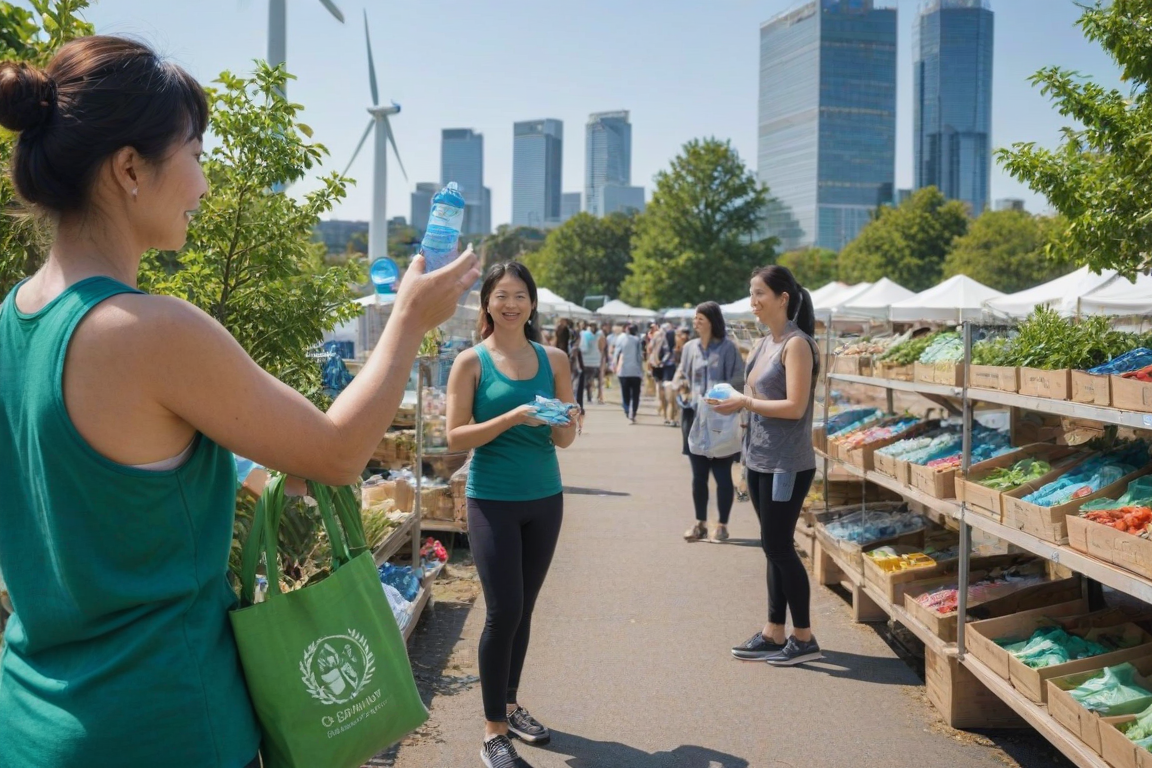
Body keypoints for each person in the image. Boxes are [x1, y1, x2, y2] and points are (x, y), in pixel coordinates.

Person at [0, 37, 480, 768]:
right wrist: (410, 321)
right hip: (165, 727)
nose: (203, 183)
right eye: (195, 153)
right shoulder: (152, 331)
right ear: (130, 169)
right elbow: (339, 453)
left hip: (32, 722)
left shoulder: (12, 324)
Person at [446, 262, 578, 768]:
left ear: (532, 303)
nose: (511, 304)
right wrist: (512, 416)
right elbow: (454, 437)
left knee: (524, 607)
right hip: (491, 499)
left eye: (520, 295)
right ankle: (492, 732)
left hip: (545, 498)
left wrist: (569, 419)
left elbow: (562, 438)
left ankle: (510, 702)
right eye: (502, 295)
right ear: (487, 303)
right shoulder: (471, 362)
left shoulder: (555, 359)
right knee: (502, 611)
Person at [714, 265, 822, 666]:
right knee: (772, 548)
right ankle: (773, 631)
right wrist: (733, 404)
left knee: (778, 546)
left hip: (786, 463)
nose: (753, 301)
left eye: (760, 293)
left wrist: (744, 402)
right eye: (751, 293)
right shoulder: (763, 345)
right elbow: (753, 397)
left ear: (783, 298)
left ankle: (804, 636)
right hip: (759, 458)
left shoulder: (797, 344)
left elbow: (794, 407)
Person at [674, 303, 744, 544]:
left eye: (700, 318)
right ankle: (700, 523)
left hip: (720, 420)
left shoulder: (728, 349)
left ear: (713, 321)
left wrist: (725, 400)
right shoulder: (690, 348)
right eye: (695, 318)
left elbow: (738, 382)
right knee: (698, 475)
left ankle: (722, 525)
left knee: (723, 475)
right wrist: (680, 387)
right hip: (693, 418)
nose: (696, 322)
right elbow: (682, 374)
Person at [614, 323, 644, 423]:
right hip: (635, 372)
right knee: (635, 394)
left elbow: (616, 354)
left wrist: (615, 366)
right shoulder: (637, 340)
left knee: (625, 393)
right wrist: (641, 370)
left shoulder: (620, 339)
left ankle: (627, 411)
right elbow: (640, 356)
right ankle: (633, 412)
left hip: (623, 371)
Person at [580, 320, 602, 405]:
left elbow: (582, 347)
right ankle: (589, 396)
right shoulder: (599, 335)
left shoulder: (583, 334)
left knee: (586, 379)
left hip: (584, 360)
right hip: (595, 361)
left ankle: (587, 395)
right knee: (590, 379)